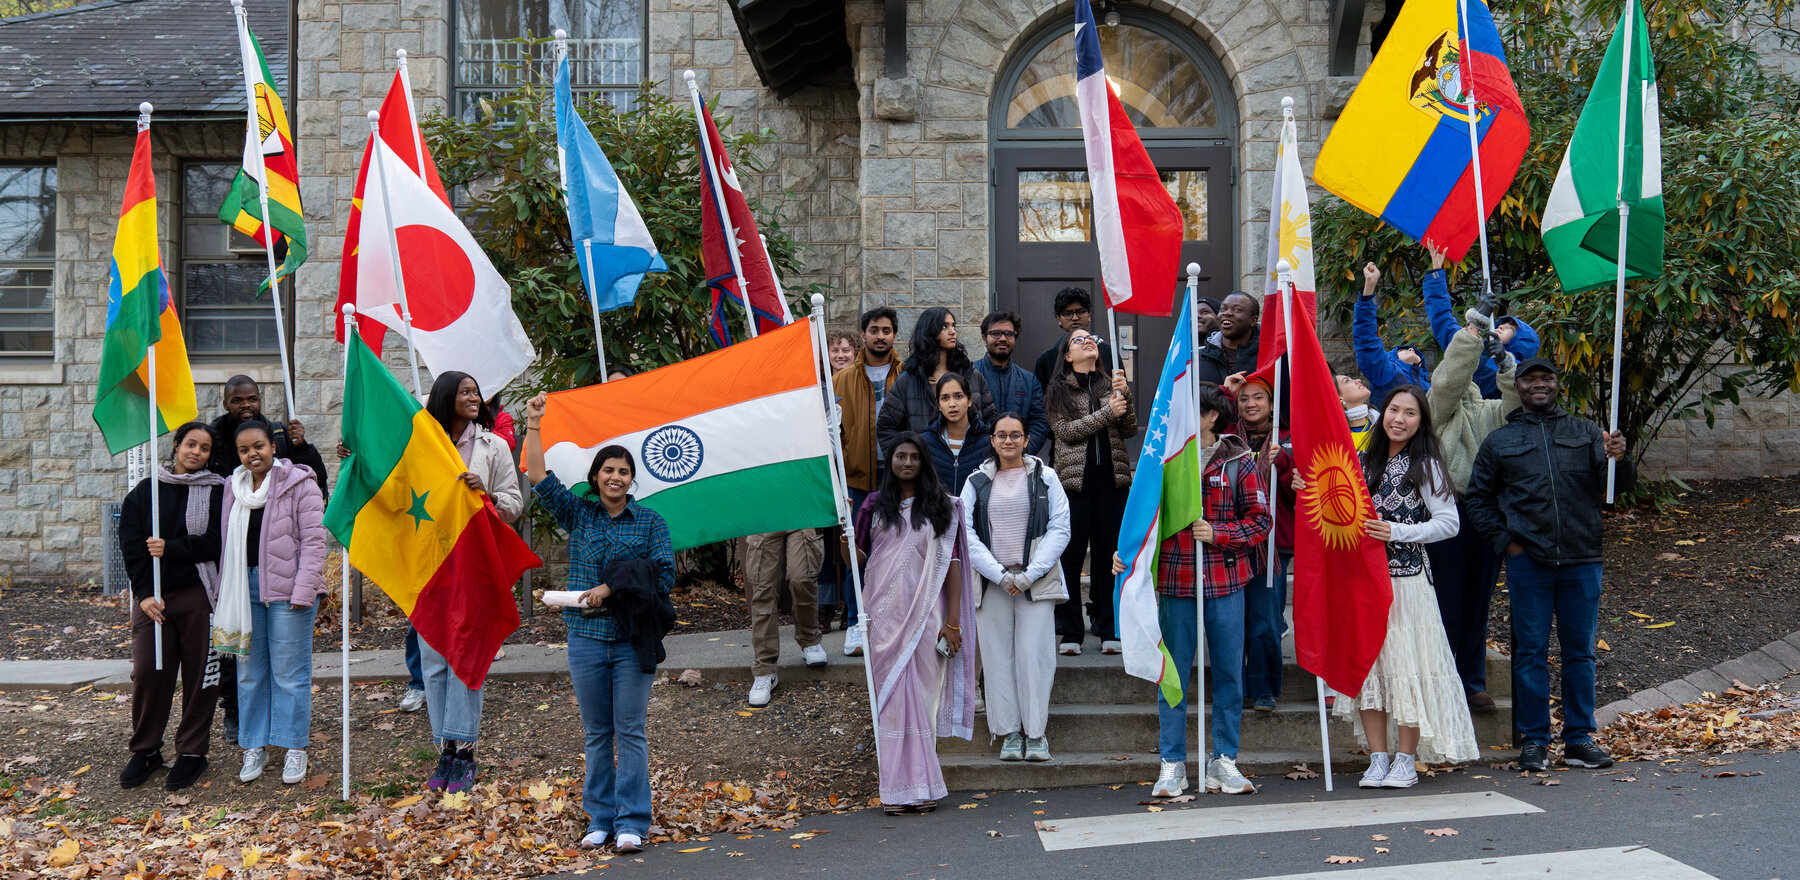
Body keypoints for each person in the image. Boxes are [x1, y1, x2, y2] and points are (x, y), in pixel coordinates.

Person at [1297, 385, 1479, 788]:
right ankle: (1378, 758)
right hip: (1363, 581)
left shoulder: (1426, 464)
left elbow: (1449, 522)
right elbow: (1341, 507)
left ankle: (1405, 760)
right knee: (1371, 670)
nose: (1399, 419)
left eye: (1410, 413)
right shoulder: (1364, 460)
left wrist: (1397, 530)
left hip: (1408, 585)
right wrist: (1308, 490)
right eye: (1394, 410)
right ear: (1383, 413)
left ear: (1421, 421)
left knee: (1407, 669)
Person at [1465, 356, 1632, 773]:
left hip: (1582, 558)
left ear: (1557, 384)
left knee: (1580, 653)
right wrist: (1509, 544)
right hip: (1529, 563)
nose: (1538, 384)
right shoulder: (1500, 441)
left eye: (1546, 378)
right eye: (1529, 379)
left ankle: (1578, 738)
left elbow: (1618, 487)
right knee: (1530, 654)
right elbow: (1478, 499)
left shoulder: (1586, 431)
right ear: (1517, 387)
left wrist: (1619, 458)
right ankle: (1535, 741)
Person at [525, 393, 674, 853]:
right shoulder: (580, 515)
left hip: (630, 641)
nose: (615, 477)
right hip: (585, 640)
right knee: (596, 733)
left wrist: (610, 588)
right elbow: (537, 477)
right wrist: (534, 422)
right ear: (595, 477)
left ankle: (632, 821)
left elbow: (662, 574)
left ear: (632, 480)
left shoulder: (650, 522)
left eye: (623, 471)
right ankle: (600, 819)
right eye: (608, 470)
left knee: (630, 731)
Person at [1114, 384, 1269, 797]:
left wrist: (1218, 533)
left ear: (1211, 416)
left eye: (1191, 410)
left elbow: (1260, 521)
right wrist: (1126, 554)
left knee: (1229, 675)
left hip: (1225, 582)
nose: (1181, 417)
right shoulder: (1163, 461)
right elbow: (1141, 516)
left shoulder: (1239, 462)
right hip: (1174, 582)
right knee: (1173, 677)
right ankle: (1173, 763)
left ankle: (1224, 761)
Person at [853, 432, 976, 814]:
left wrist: (953, 622)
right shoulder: (873, 505)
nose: (907, 463)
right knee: (889, 702)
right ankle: (894, 791)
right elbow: (855, 560)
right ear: (889, 461)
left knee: (923, 700)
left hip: (927, 618)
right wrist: (842, 526)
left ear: (924, 462)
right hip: (883, 620)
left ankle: (921, 788)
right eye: (900, 456)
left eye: (914, 457)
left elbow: (952, 566)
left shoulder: (942, 507)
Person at [413, 372, 524, 793]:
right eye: (465, 392)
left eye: (477, 391)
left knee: (467, 658)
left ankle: (466, 753)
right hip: (432, 567)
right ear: (445, 398)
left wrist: (488, 495)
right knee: (435, 660)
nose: (475, 397)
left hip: (475, 566)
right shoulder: (423, 446)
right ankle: (444, 747)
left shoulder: (493, 446)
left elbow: (515, 504)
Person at [207, 375, 328, 736]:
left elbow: (313, 526)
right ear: (226, 403)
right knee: (244, 664)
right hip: (240, 583)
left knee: (289, 669)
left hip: (285, 582)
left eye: (253, 398)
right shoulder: (228, 475)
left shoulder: (282, 441)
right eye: (238, 400)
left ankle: (290, 740)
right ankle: (245, 728)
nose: (246, 405)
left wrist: (301, 444)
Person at [118, 422, 226, 791]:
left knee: (202, 675)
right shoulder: (147, 491)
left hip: (199, 594)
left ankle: (193, 751)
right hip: (154, 599)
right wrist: (145, 593)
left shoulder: (216, 490)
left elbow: (215, 542)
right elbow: (132, 543)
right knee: (149, 670)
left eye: (205, 448)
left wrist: (173, 547)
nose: (196, 452)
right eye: (190, 444)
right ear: (176, 446)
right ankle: (146, 750)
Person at [958, 413, 1070, 763]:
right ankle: (1008, 732)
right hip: (993, 584)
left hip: (1034, 583)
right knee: (996, 657)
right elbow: (966, 532)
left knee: (1033, 655)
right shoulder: (976, 481)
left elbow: (1060, 528)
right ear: (991, 440)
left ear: (1026, 439)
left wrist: (1028, 575)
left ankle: (1035, 734)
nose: (1008, 441)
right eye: (1001, 435)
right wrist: (1000, 575)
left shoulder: (1045, 477)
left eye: (1016, 435)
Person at [1427, 314, 1522, 713]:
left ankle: (1472, 681)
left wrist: (1506, 365)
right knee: (1445, 600)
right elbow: (1448, 386)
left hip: (1486, 516)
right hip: (1444, 514)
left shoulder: (1488, 411)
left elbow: (1517, 409)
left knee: (1477, 600)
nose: (1464, 377)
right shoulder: (1432, 409)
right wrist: (1473, 333)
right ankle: (1442, 680)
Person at [1046, 328, 1136, 656]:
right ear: (1068, 355)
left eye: (1091, 339)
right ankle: (1071, 633)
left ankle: (1110, 628)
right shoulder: (1058, 390)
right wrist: (1106, 413)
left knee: (1109, 558)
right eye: (1078, 340)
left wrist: (1125, 397)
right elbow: (1066, 432)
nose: (1088, 341)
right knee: (1069, 559)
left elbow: (1127, 429)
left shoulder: (1109, 383)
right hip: (1074, 486)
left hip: (1112, 483)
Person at [1220, 374, 1294, 713]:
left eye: (1259, 398)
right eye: (1245, 398)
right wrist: (1226, 391)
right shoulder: (1227, 439)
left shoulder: (1289, 439)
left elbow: (1299, 491)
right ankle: (1233, 683)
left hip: (1271, 544)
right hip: (1230, 540)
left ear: (1272, 403)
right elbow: (1208, 411)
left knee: (1265, 617)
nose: (1251, 404)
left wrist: (1282, 464)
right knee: (1231, 620)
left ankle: (1263, 686)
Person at [832, 306, 899, 656]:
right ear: (864, 334)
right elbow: (834, 431)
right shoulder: (842, 379)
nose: (880, 335)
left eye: (887, 330)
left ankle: (891, 621)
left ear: (894, 335)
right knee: (856, 551)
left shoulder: (906, 374)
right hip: (857, 477)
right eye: (874, 329)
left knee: (897, 548)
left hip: (898, 477)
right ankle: (857, 623)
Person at [1421, 244, 1540, 400]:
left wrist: (1504, 360)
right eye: (1502, 324)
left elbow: (1517, 393)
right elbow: (1442, 320)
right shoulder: (1471, 346)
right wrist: (1436, 272)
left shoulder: (1518, 376)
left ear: (1521, 343)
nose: (1501, 326)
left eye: (1511, 328)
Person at [877, 307, 991, 457]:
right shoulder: (909, 379)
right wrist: (907, 460)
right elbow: (886, 427)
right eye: (945, 326)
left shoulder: (971, 375)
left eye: (953, 325)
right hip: (925, 469)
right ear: (929, 330)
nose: (952, 331)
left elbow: (991, 421)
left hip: (969, 466)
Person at [743, 527, 828, 707]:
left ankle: (810, 640)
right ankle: (765, 669)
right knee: (764, 588)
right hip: (765, 515)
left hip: (799, 511)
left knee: (802, 577)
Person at [968, 311, 1048, 455]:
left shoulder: (1029, 381)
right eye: (996, 333)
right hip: (977, 459)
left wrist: (1022, 451)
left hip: (1018, 462)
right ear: (984, 339)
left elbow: (1039, 423)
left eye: (1009, 334)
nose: (1003, 338)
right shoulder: (969, 375)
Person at [1352, 263, 1432, 403]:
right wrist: (1369, 288)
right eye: (1403, 349)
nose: (1411, 349)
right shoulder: (1388, 374)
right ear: (1391, 359)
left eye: (1413, 350)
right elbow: (1367, 343)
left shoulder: (1430, 388)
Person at [920, 373, 993, 493]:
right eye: (945, 398)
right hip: (937, 510)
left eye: (958, 396)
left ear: (969, 400)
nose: (952, 404)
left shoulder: (987, 441)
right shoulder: (926, 441)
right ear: (938, 405)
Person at [1032, 287, 1114, 390]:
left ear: (1089, 315)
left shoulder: (1109, 352)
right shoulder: (1047, 359)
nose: (1075, 318)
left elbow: (1121, 395)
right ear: (1058, 319)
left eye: (1080, 312)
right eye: (1067, 314)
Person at [1195, 292, 1262, 387]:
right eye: (1223, 309)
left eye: (1237, 310)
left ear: (1253, 320)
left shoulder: (1268, 358)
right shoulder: (1196, 359)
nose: (1227, 313)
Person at [1338, 373, 1378, 452]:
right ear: (1339, 399)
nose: (1358, 380)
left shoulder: (1382, 422)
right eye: (1347, 381)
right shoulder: (1339, 442)